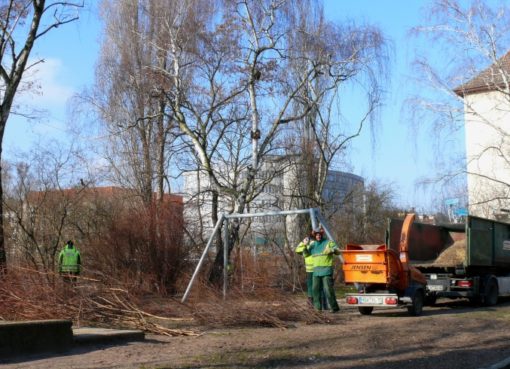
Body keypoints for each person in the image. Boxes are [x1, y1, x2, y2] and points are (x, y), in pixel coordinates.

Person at [307, 228, 340, 313]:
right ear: (314, 236)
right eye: (316, 235)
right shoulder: (313, 245)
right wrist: (304, 245)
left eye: (319, 235)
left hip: (326, 270)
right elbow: (305, 254)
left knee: (328, 290)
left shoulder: (328, 242)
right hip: (316, 271)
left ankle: (334, 307)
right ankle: (317, 309)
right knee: (315, 290)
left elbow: (338, 251)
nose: (318, 236)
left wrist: (332, 250)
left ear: (322, 235)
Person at [295, 235, 314, 305]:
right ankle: (311, 301)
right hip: (310, 270)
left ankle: (313, 301)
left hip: (316, 269)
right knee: (310, 286)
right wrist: (303, 243)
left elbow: (298, 250)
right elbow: (297, 249)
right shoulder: (306, 246)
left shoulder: (312, 245)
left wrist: (303, 243)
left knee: (315, 286)